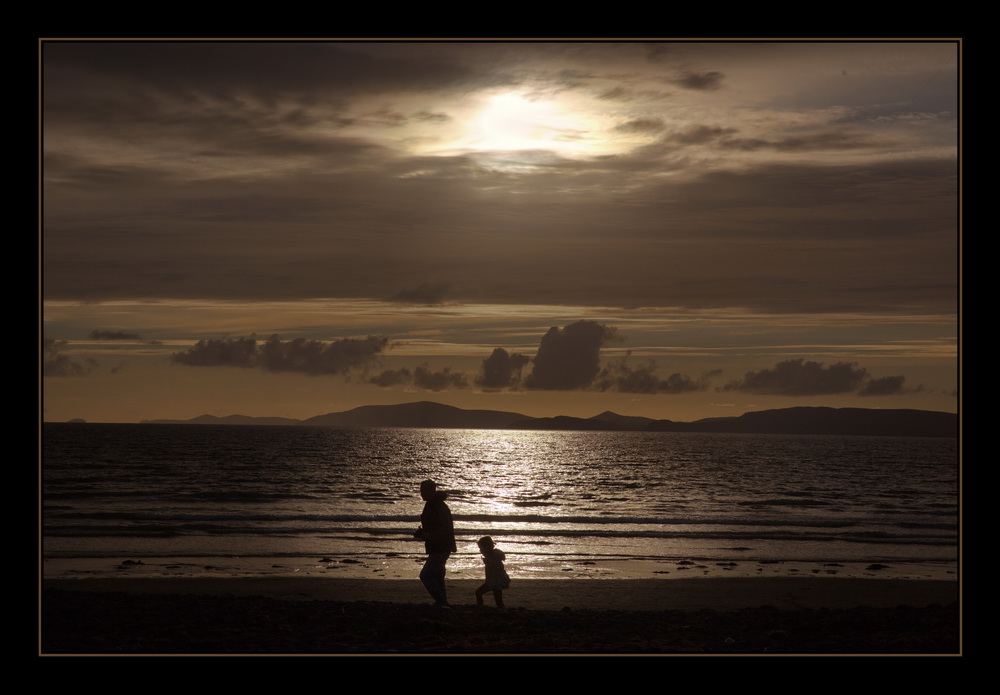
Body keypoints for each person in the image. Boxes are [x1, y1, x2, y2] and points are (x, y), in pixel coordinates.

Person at [414, 479, 457, 607]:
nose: (421, 493)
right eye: (421, 490)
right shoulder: (431, 504)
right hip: (437, 546)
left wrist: (429, 535)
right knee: (438, 577)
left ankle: (441, 602)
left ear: (432, 490)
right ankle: (443, 603)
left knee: (426, 575)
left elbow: (446, 528)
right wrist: (423, 533)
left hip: (442, 546)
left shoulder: (439, 506)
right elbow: (435, 526)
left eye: (424, 490)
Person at [475, 536, 510, 608]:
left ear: (486, 547)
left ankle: (480, 607)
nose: (480, 550)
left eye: (481, 548)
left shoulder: (491, 557)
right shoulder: (494, 555)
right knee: (498, 600)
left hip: (494, 581)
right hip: (497, 581)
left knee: (478, 593)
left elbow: (494, 570)